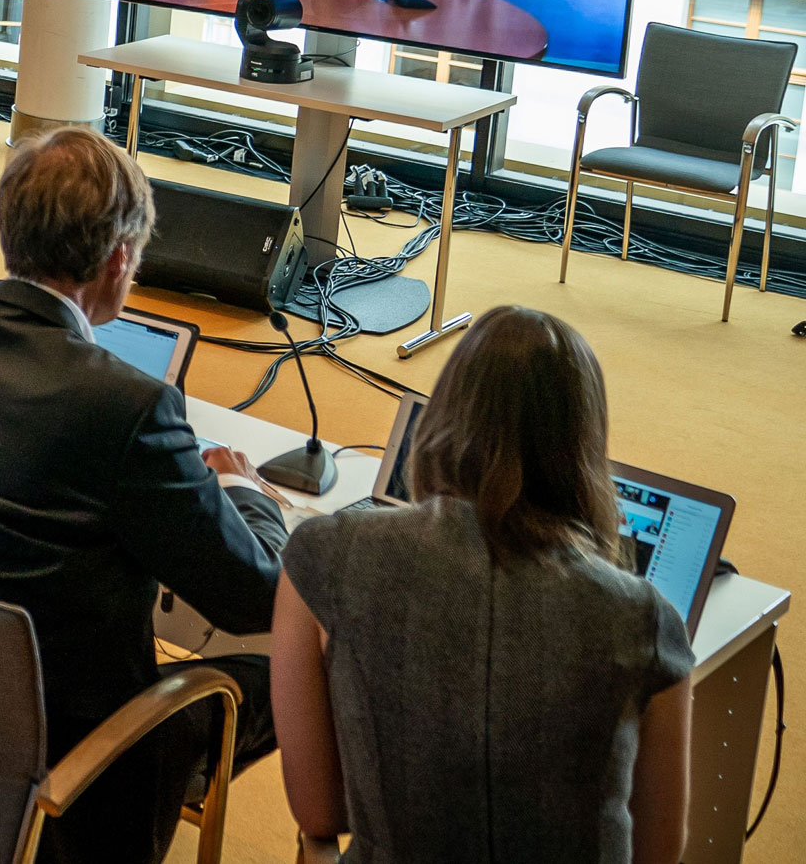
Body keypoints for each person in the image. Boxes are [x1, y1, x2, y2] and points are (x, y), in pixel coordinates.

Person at [0, 126, 287, 864]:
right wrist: (244, 490)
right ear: (117, 261)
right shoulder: (129, 406)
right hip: (63, 757)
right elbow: (253, 593)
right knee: (287, 672)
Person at [272, 307, 692, 864]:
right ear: (582, 448)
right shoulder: (645, 618)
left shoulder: (322, 556)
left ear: (443, 415)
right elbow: (659, 853)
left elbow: (320, 814)